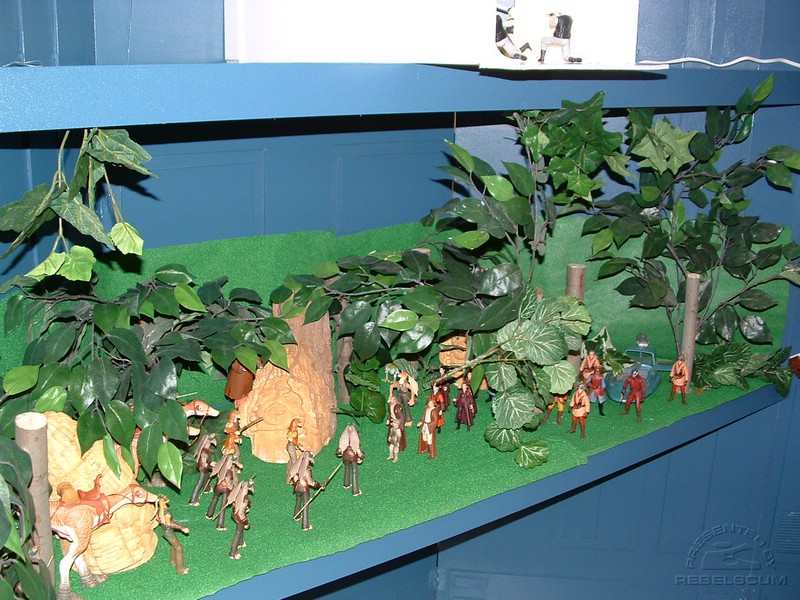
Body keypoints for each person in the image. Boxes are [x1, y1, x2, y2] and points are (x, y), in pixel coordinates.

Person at [156, 495, 190, 574]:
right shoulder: (166, 514)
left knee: (174, 546)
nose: (167, 499)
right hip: (169, 533)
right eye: (165, 499)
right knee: (179, 549)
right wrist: (182, 528)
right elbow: (170, 523)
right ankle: (180, 570)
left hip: (167, 532)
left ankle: (173, 560)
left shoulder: (161, 510)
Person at [336, 423, 364, 496]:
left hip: (345, 456)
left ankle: (346, 484)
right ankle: (355, 491)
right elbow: (359, 452)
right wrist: (361, 457)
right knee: (354, 471)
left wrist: (340, 454)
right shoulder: (355, 440)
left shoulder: (343, 440)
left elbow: (338, 451)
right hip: (353, 456)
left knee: (347, 468)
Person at [189, 433, 216, 506]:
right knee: (200, 483)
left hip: (205, 468)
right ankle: (192, 500)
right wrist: (211, 467)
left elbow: (207, 460)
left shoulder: (207, 449)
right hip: (203, 468)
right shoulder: (204, 452)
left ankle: (207, 488)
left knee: (207, 477)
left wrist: (210, 462)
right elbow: (204, 464)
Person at [417, 395, 441, 459]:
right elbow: (424, 417)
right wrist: (421, 422)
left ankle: (432, 454)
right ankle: (426, 449)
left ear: (433, 404)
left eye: (430, 403)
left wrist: (428, 425)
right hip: (425, 425)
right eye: (429, 402)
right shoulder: (427, 409)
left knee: (429, 440)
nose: (429, 403)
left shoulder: (434, 411)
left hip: (429, 427)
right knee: (424, 438)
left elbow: (435, 421)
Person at [387, 392, 406, 463]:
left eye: (392, 399)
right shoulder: (390, 406)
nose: (390, 400)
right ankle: (391, 455)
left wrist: (398, 442)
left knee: (396, 449)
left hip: (396, 440)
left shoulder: (397, 407)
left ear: (395, 400)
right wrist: (389, 419)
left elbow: (401, 417)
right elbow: (390, 414)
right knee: (391, 447)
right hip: (392, 438)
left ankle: (396, 457)